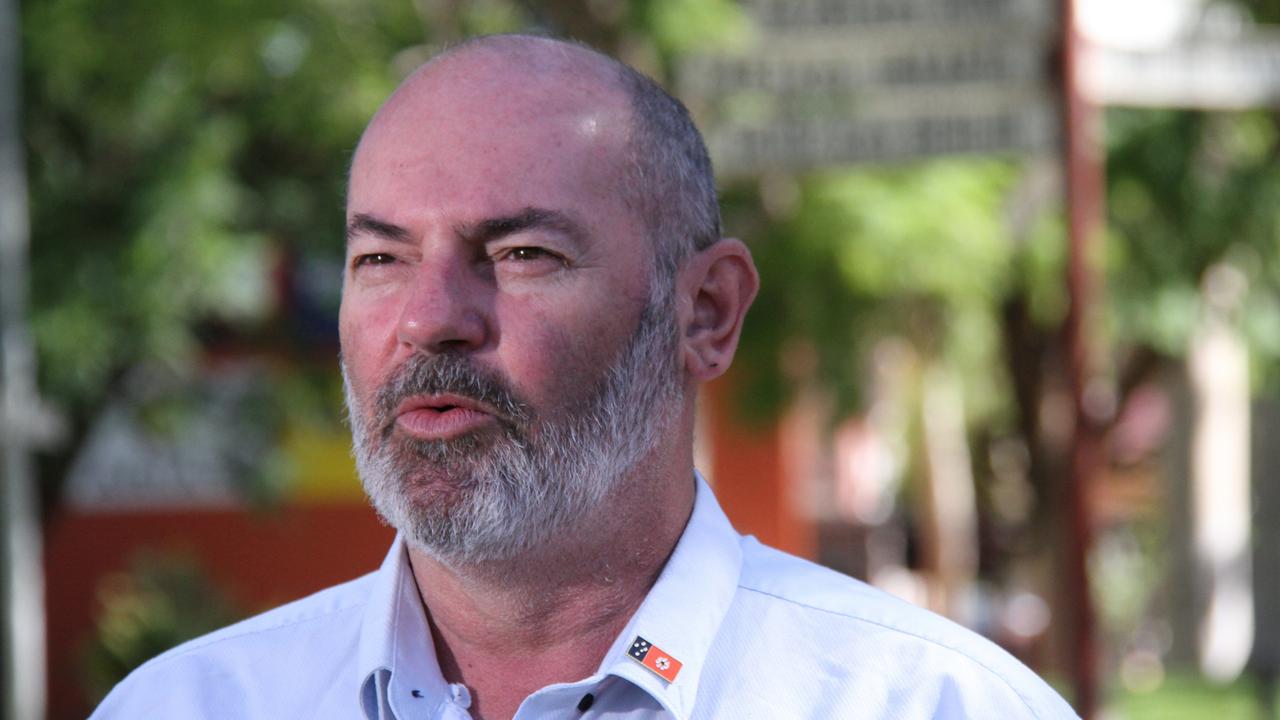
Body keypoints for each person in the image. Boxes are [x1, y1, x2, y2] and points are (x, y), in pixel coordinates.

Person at [92, 34, 1079, 720]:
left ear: (706, 313)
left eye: (522, 254)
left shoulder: (928, 706)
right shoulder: (188, 706)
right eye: (381, 259)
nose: (430, 317)